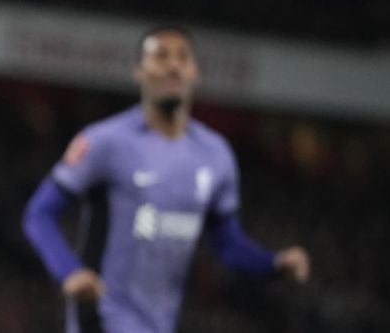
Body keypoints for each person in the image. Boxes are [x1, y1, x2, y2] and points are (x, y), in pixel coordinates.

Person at [22, 26, 310, 333]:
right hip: (104, 319)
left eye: (182, 57)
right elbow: (39, 213)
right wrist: (70, 271)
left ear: (195, 73)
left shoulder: (215, 154)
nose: (173, 65)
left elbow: (226, 243)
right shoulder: (105, 142)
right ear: (139, 72)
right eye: (160, 57)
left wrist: (274, 264)